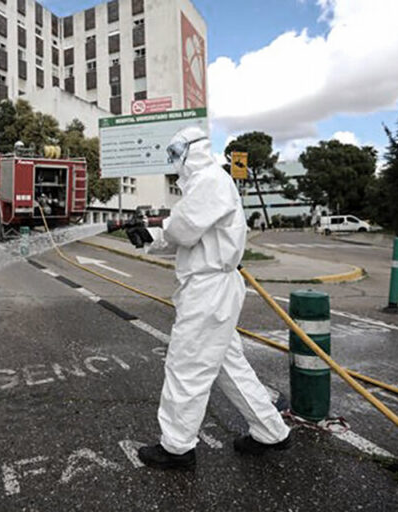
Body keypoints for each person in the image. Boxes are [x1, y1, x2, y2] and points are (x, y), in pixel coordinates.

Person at [125, 126, 291, 470]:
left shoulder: (210, 181)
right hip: (210, 288)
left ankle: (176, 447)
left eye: (176, 153)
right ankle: (271, 431)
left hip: (209, 290)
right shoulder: (203, 186)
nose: (173, 162)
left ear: (193, 151)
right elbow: (183, 236)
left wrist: (156, 225)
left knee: (186, 366)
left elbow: (183, 230)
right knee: (228, 365)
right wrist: (148, 236)